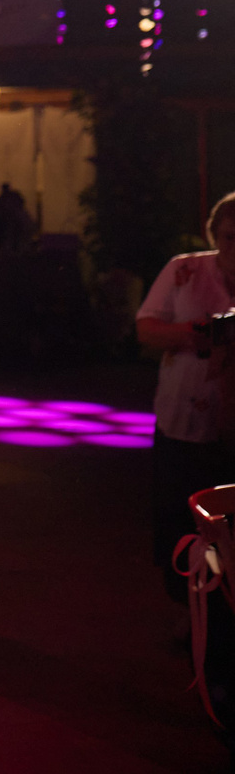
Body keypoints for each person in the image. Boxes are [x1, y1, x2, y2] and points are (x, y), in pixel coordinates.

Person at [136, 193, 235, 601]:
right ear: (215, 235)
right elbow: (146, 328)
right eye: (229, 237)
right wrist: (196, 333)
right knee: (179, 517)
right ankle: (185, 608)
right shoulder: (186, 269)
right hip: (185, 418)